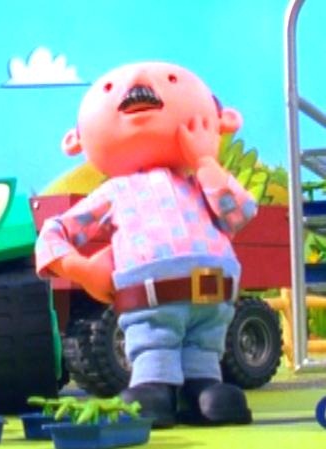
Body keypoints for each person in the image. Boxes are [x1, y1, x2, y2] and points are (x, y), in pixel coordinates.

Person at [35, 62, 256, 428]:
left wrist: (205, 160)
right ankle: (154, 386)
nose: (139, 85)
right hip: (150, 304)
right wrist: (82, 270)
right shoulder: (116, 191)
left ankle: (203, 387)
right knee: (154, 359)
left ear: (223, 121)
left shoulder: (205, 183)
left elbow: (240, 214)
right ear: (76, 140)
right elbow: (53, 233)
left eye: (171, 82)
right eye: (111, 91)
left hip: (213, 302)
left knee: (205, 361)